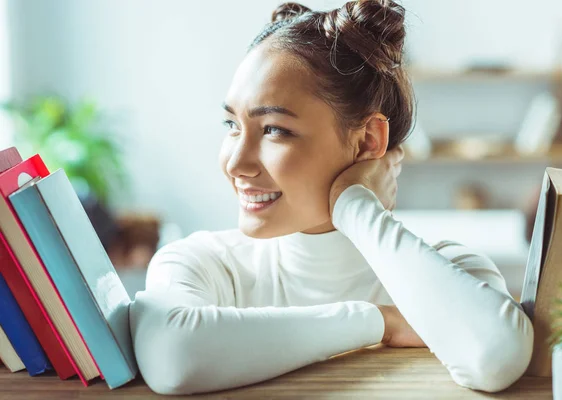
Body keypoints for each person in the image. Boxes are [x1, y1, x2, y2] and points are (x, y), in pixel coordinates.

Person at [129, 0, 533, 395]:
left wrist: (355, 207)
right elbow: (173, 357)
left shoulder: (450, 271)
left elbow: (497, 356)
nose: (236, 164)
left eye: (274, 129)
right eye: (231, 124)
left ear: (368, 141)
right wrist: (378, 322)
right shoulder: (203, 264)